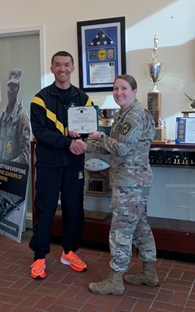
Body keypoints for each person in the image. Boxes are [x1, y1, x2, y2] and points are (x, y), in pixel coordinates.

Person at [84, 74, 158, 295]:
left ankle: (115, 281)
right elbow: (112, 145)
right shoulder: (123, 115)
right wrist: (83, 142)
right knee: (139, 228)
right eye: (116, 89)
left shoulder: (134, 115)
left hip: (131, 185)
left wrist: (99, 136)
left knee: (121, 232)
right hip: (131, 183)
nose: (119, 93)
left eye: (124, 88)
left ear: (134, 91)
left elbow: (122, 148)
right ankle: (149, 272)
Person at [29, 51, 93, 279]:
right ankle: (39, 257)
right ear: (51, 68)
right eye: (57, 65)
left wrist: (81, 139)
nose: (62, 68)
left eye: (66, 64)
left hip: (74, 163)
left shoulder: (84, 99)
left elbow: (88, 130)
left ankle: (68, 252)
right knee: (45, 209)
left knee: (74, 208)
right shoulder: (39, 99)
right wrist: (69, 142)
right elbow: (41, 133)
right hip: (49, 164)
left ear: (73, 68)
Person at [0, 68, 30, 164]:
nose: (11, 90)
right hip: (2, 173)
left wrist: (8, 167)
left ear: (18, 88)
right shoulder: (3, 117)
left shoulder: (22, 116)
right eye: (9, 86)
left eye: (14, 87)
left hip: (16, 174)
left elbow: (25, 157)